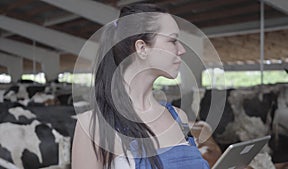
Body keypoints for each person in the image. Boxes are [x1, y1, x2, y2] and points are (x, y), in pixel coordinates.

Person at [72, 3, 210, 169]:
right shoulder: (94, 126)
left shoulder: (179, 117)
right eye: (173, 40)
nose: (181, 50)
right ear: (142, 48)